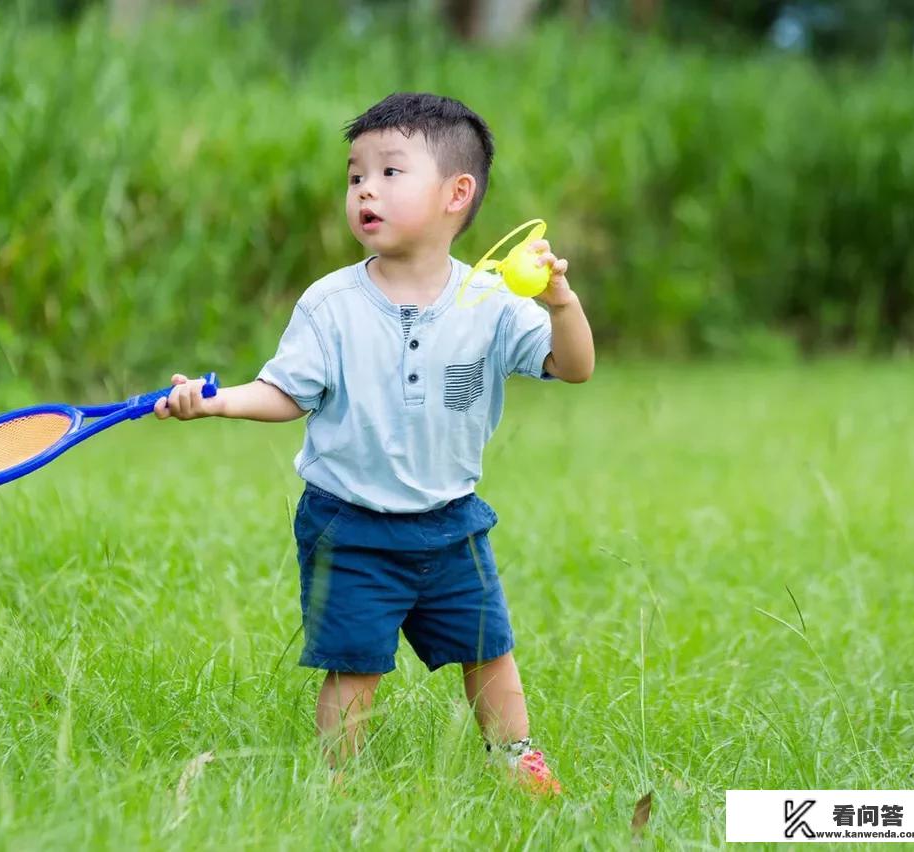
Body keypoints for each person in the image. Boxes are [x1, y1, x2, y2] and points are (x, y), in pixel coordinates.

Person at [155, 92, 594, 796]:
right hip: (349, 524)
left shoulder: (491, 304)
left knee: (490, 651)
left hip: (452, 523)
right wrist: (217, 401)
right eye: (355, 175)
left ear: (458, 194)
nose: (365, 188)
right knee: (354, 662)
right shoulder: (330, 304)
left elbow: (574, 367)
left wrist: (562, 306)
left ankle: (516, 757)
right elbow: (287, 392)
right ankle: (341, 781)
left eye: (391, 172)